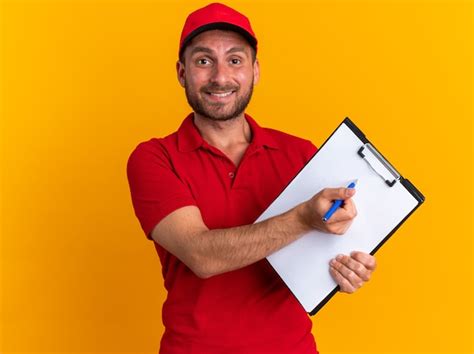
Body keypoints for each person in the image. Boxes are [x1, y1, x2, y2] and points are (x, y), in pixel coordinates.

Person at [127, 3, 377, 353]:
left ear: (255, 71)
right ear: (182, 73)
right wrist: (304, 217)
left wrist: (347, 269)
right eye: (203, 61)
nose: (220, 77)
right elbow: (202, 256)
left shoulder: (300, 154)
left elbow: (320, 255)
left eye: (235, 60)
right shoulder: (154, 159)